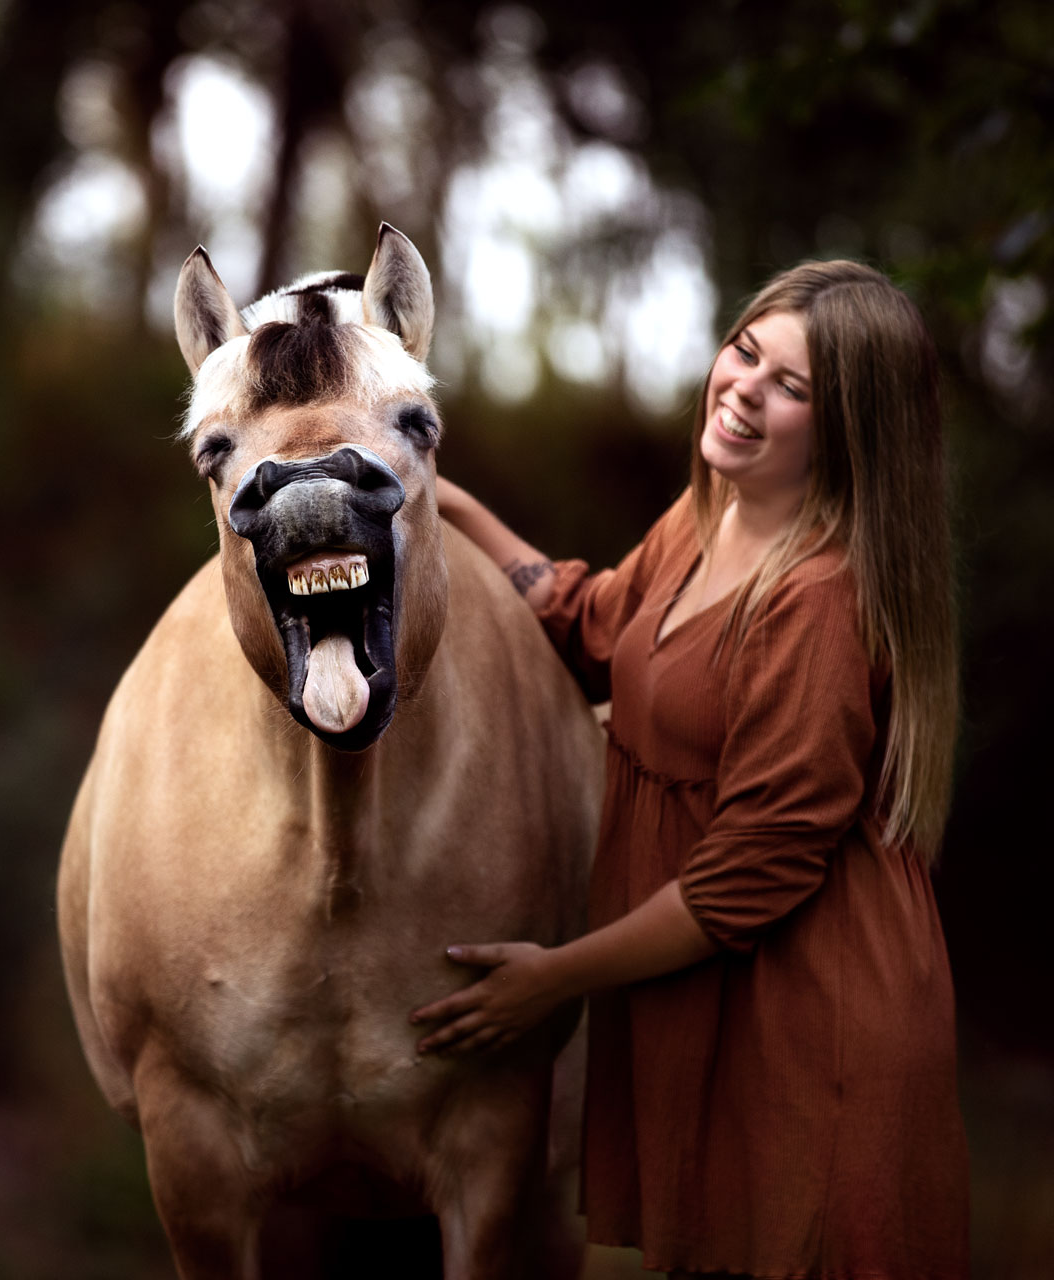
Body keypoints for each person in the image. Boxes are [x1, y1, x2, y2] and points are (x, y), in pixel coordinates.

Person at [410, 260, 969, 1278]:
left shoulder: (820, 601)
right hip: (714, 998)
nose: (744, 387)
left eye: (791, 386)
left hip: (814, 1010)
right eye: (744, 351)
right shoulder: (710, 517)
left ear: (850, 428)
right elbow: (591, 620)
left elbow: (742, 882)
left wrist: (554, 976)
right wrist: (438, 496)